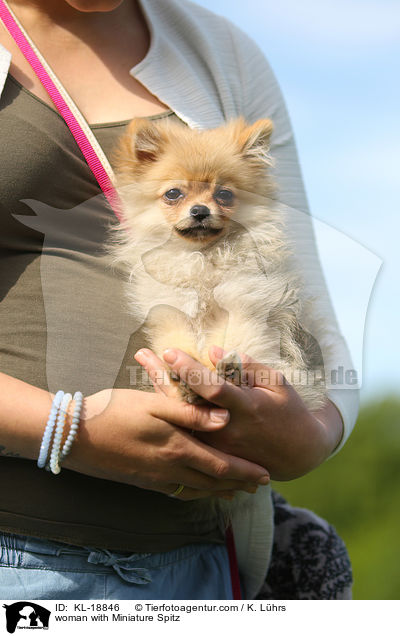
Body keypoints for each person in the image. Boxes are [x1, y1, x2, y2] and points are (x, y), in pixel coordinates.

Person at [0, 0, 359, 599]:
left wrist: (316, 435)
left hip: (196, 558)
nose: (200, 207)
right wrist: (66, 428)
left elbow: (309, 302)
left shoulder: (222, 51)